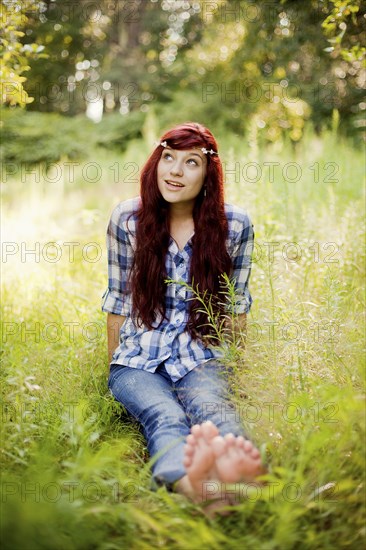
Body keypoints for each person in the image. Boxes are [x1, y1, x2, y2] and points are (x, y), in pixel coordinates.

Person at [102, 122, 264, 509]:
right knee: (164, 413)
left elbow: (235, 306)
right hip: (139, 360)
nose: (174, 171)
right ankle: (190, 486)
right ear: (156, 162)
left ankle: (238, 482)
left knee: (212, 410)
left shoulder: (234, 225)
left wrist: (235, 372)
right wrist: (112, 370)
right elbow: (117, 303)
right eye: (168, 158)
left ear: (208, 173)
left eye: (190, 162)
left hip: (201, 354)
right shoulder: (128, 219)